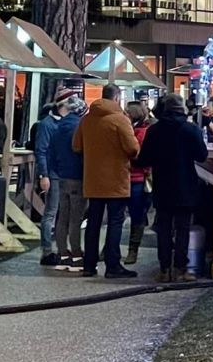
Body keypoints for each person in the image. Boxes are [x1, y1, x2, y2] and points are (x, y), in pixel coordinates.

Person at [135, 93, 209, 282]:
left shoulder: (154, 130)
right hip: (186, 186)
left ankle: (164, 269)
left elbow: (145, 159)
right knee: (183, 228)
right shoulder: (191, 129)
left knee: (164, 228)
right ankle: (181, 268)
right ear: (182, 109)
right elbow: (201, 155)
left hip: (162, 185)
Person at [73, 85, 140, 278]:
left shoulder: (86, 120)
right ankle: (112, 266)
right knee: (115, 221)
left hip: (92, 179)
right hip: (116, 179)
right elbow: (132, 148)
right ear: (117, 97)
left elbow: (76, 146)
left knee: (93, 221)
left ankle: (89, 265)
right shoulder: (121, 120)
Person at [46, 90, 87, 271]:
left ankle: (63, 255)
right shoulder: (79, 127)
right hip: (77, 177)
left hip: (61, 176)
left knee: (62, 217)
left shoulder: (57, 127)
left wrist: (55, 171)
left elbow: (50, 154)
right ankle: (77, 256)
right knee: (75, 218)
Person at [31, 100, 63, 267]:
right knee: (51, 212)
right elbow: (41, 150)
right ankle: (47, 250)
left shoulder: (48, 124)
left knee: (54, 213)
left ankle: (52, 250)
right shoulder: (47, 125)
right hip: (54, 173)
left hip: (57, 173)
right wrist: (44, 175)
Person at [124, 100, 153, 265]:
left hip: (137, 178)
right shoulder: (139, 130)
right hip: (131, 177)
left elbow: (139, 155)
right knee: (126, 215)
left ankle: (132, 250)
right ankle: (117, 249)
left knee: (136, 216)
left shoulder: (142, 132)